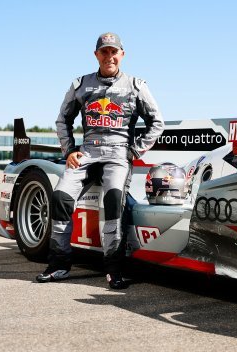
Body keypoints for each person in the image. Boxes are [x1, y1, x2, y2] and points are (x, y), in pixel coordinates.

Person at [36, 32, 164, 289]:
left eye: (113, 52)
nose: (109, 56)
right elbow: (63, 120)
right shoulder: (81, 84)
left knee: (114, 200)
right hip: (87, 153)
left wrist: (134, 151)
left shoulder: (136, 86)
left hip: (118, 155)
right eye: (104, 52)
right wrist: (69, 149)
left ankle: (113, 271)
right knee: (60, 197)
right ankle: (59, 265)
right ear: (96, 55)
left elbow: (156, 123)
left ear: (122, 55)